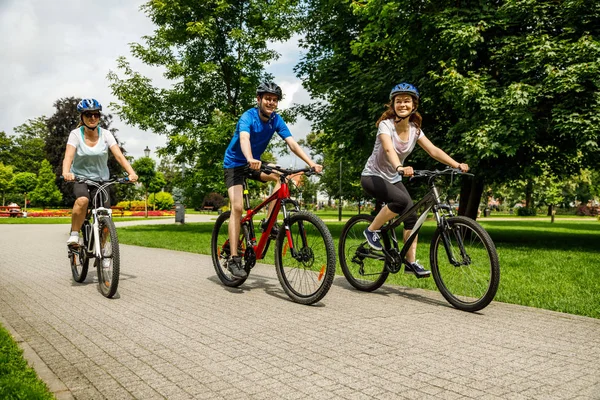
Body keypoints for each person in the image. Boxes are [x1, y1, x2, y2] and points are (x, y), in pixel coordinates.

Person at [361, 83, 469, 278]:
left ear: (414, 105)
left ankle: (410, 262)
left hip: (392, 178)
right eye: (399, 101)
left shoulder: (415, 130)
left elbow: (433, 150)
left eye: (407, 101)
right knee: (401, 202)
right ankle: (371, 230)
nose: (403, 104)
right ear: (392, 105)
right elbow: (388, 149)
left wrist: (456, 164)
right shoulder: (386, 126)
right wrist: (399, 167)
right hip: (372, 176)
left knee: (412, 216)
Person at [223, 82, 323, 278]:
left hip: (256, 163)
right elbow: (244, 139)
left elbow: (292, 144)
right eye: (267, 98)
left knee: (282, 177)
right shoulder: (247, 117)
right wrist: (250, 158)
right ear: (259, 99)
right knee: (237, 208)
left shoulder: (276, 120)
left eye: (275, 100)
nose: (271, 102)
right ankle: (234, 258)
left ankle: (268, 222)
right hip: (235, 164)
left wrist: (311, 163)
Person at [62, 98, 138, 245]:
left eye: (96, 114)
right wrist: (66, 172)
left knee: (105, 215)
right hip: (80, 178)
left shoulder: (106, 134)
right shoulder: (76, 134)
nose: (92, 118)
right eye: (88, 114)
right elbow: (68, 156)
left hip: (102, 180)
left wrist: (131, 173)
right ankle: (75, 234)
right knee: (82, 200)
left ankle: (102, 251)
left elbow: (119, 156)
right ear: (82, 117)